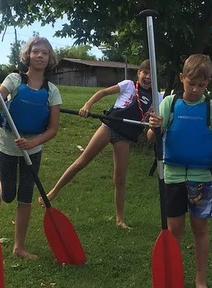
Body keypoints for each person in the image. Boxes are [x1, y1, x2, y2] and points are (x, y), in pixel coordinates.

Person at [148, 54, 212, 288]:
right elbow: (152, 138)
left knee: (200, 228)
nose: (195, 89)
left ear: (208, 83)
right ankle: (174, 274)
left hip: (202, 178)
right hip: (172, 176)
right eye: (191, 83)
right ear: (182, 78)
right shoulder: (169, 104)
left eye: (201, 85)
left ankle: (200, 280)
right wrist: (154, 127)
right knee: (174, 229)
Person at [41, 60, 158, 229]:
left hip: (125, 138)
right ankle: (52, 193)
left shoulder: (157, 98)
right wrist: (87, 105)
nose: (147, 77)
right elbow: (102, 92)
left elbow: (152, 128)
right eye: (144, 72)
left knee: (120, 179)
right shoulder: (128, 85)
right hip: (109, 127)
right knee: (81, 162)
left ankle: (120, 220)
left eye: (151, 74)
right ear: (138, 73)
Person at [0, 37, 62, 260]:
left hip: (32, 149)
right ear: (28, 55)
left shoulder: (52, 91)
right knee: (9, 195)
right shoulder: (14, 80)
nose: (40, 56)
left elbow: (53, 129)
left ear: (49, 59)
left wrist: (33, 143)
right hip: (7, 145)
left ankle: (18, 246)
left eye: (44, 53)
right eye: (35, 51)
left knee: (25, 196)